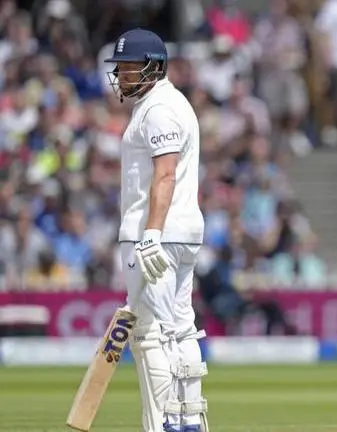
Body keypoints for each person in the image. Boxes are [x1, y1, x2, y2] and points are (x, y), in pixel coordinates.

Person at [104, 28, 209, 432]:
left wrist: (150, 234)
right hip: (178, 233)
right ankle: (188, 419)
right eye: (121, 67)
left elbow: (164, 174)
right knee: (180, 327)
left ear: (154, 66)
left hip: (155, 235)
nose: (123, 74)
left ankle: (164, 424)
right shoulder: (159, 104)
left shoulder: (160, 108)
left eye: (130, 66)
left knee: (150, 334)